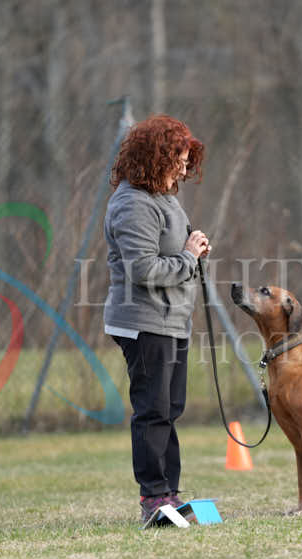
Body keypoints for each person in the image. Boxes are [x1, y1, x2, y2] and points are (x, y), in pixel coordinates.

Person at [103, 115, 211, 524]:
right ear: (157, 158)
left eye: (186, 161)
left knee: (170, 408)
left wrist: (193, 250)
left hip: (171, 320)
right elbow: (143, 269)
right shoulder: (132, 204)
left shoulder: (164, 198)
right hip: (143, 321)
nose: (184, 169)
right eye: (178, 160)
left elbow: (175, 253)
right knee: (153, 410)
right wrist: (188, 257)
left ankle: (170, 493)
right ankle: (153, 497)